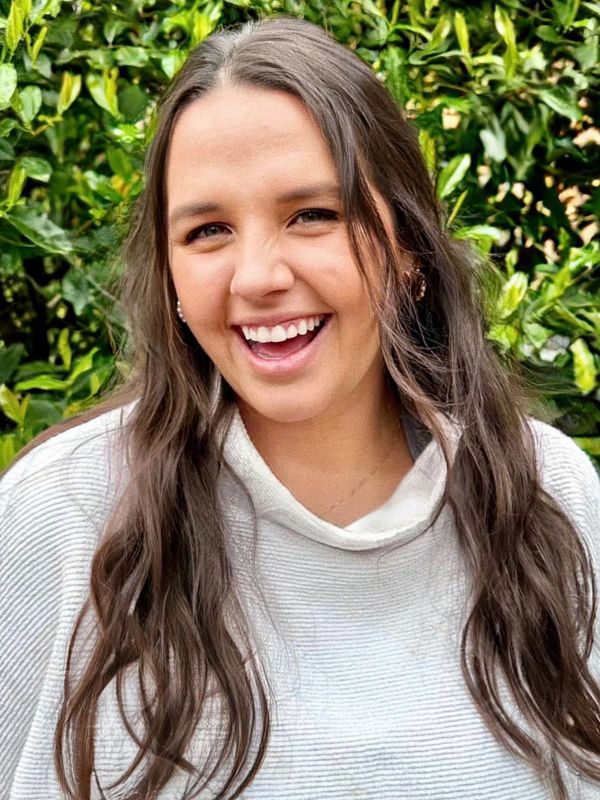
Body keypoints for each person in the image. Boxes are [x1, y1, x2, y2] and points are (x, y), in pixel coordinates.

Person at [1, 14, 599, 800]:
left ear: (410, 249)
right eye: (208, 230)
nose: (257, 277)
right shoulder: (63, 513)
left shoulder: (549, 496)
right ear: (171, 276)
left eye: (312, 215)